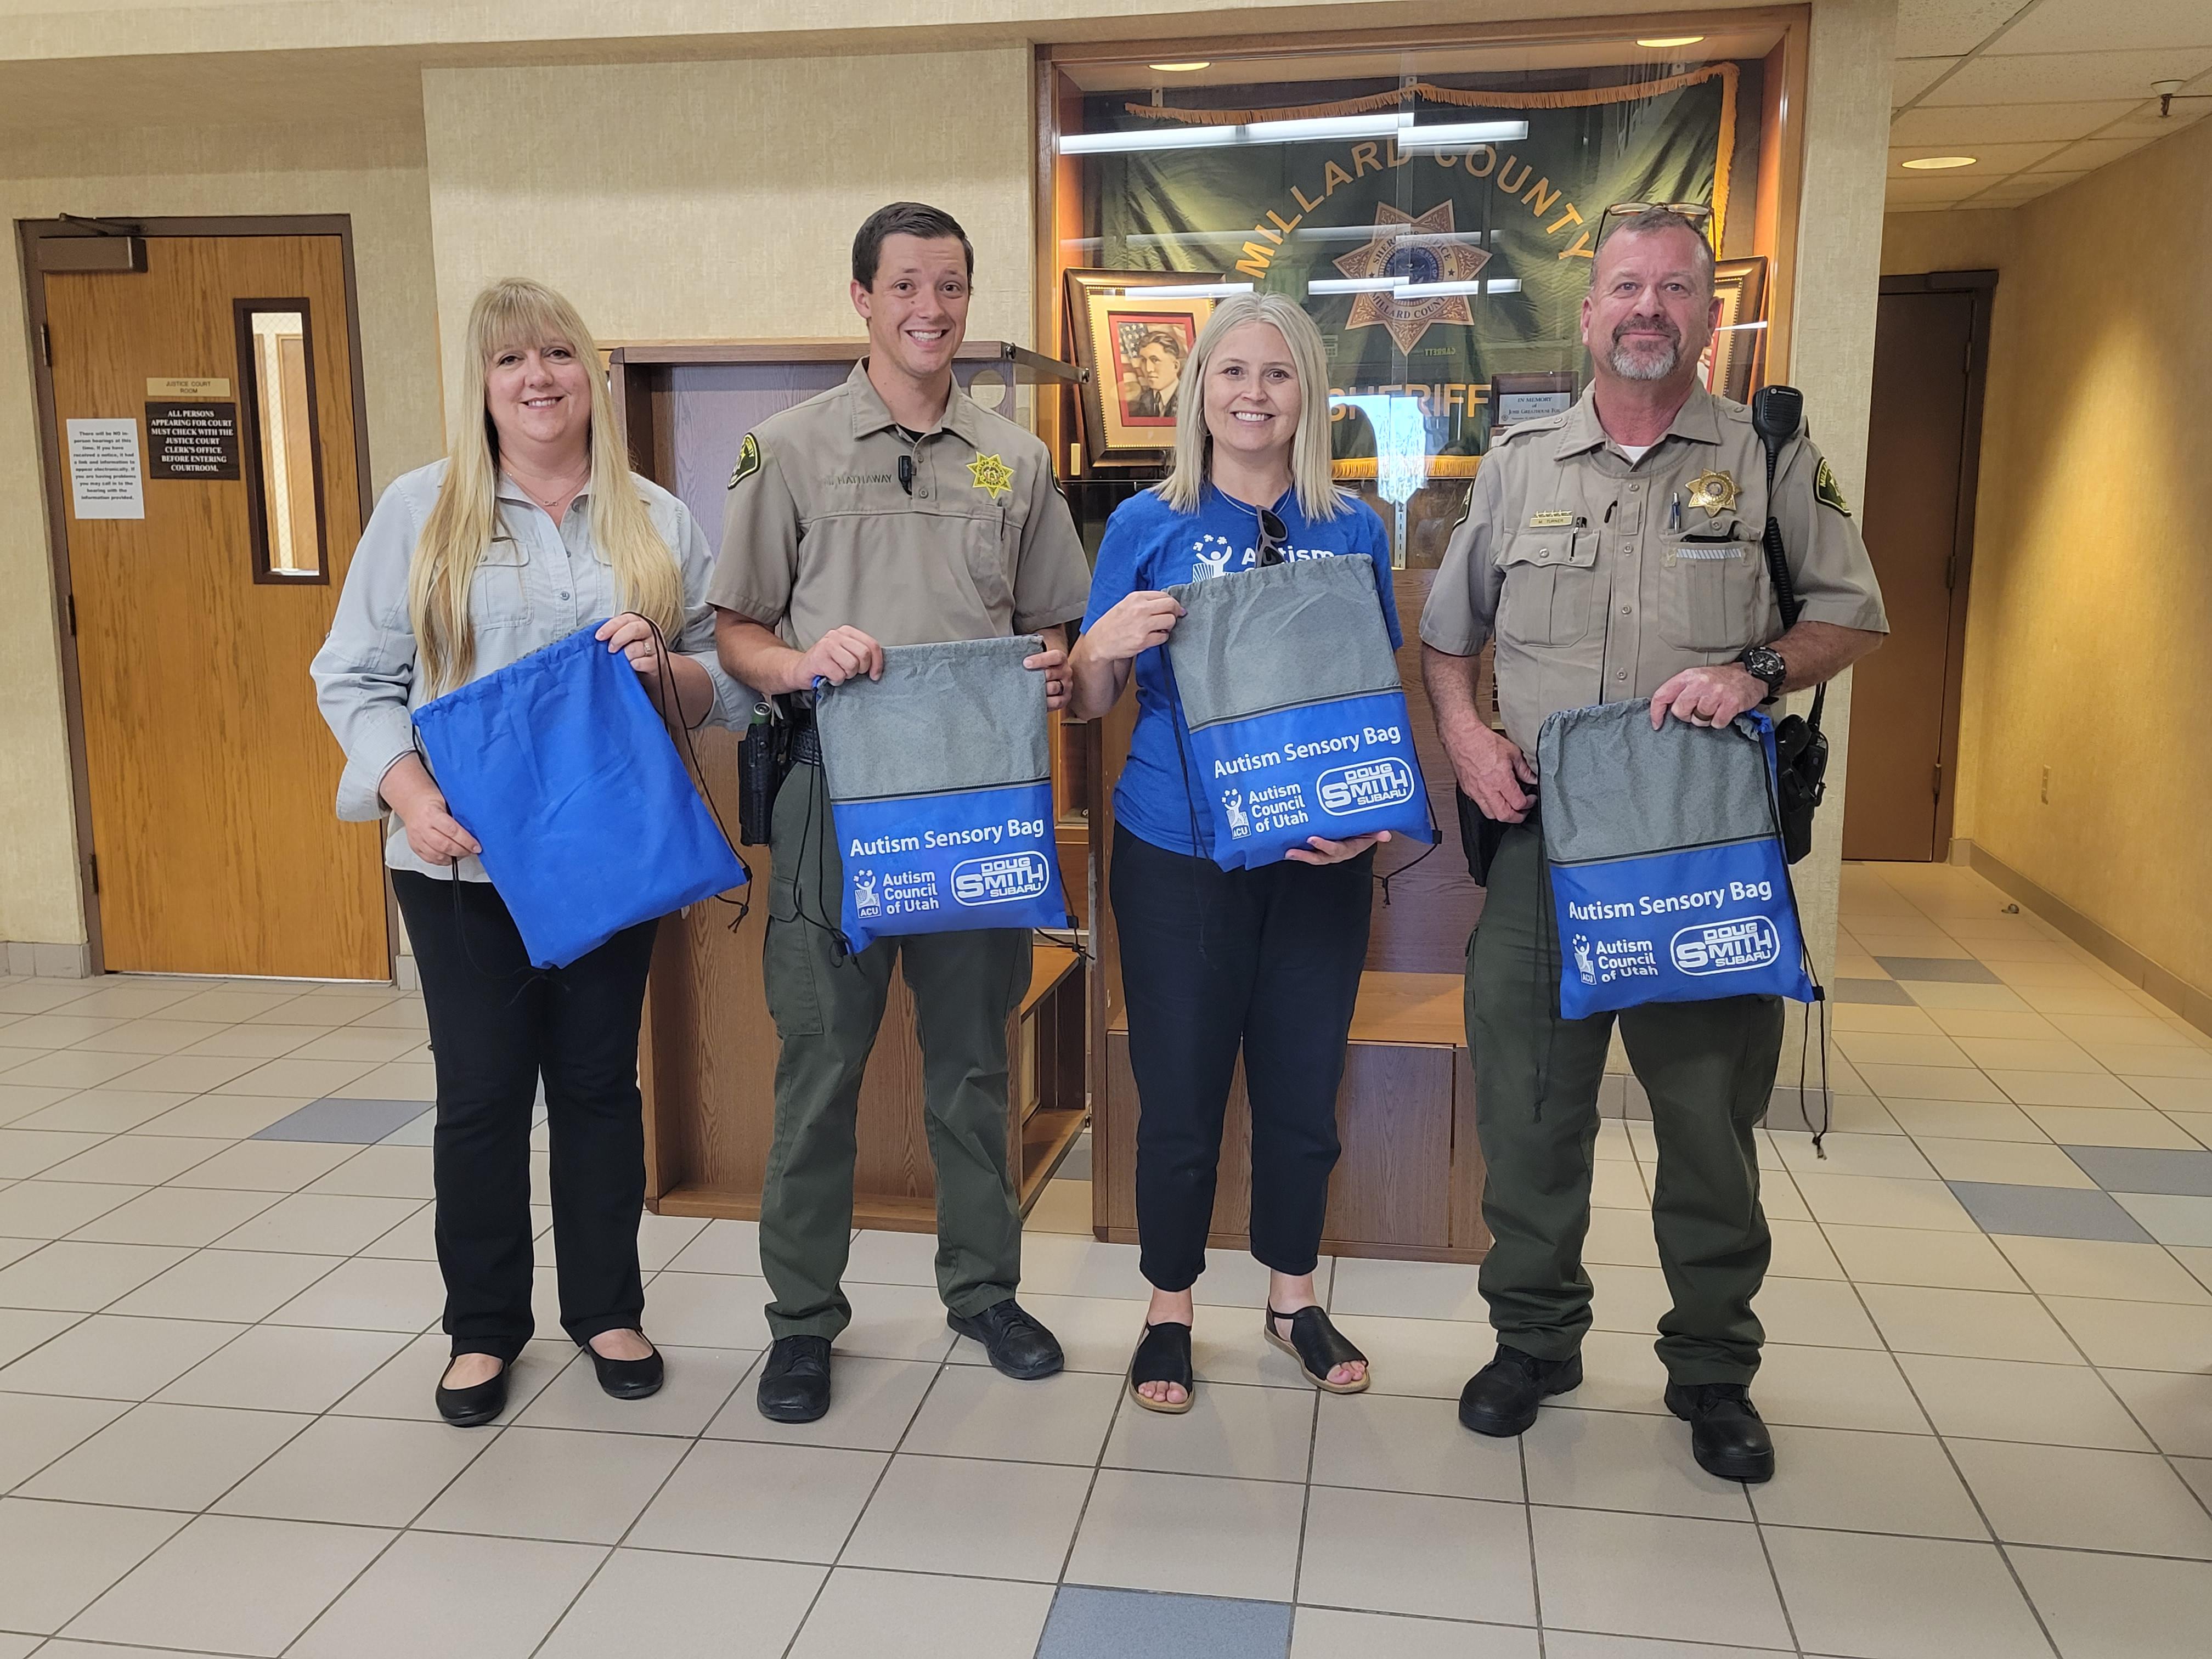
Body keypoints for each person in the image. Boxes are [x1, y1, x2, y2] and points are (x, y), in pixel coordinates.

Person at [1419, 207, 1887, 1481]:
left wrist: (1755, 670)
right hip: (1544, 851)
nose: (1648, 309)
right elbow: (1446, 638)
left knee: (1706, 1120)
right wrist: (1466, 739)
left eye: (1675, 289)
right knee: (1527, 1113)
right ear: (1588, 312)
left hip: (1701, 852)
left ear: (1707, 312)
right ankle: (1534, 1342)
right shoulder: (1518, 464)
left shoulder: (1769, 452)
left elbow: (1852, 613)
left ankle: (1713, 1370)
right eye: (1626, 286)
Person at [313, 277, 739, 1426]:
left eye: (558, 353)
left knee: (600, 1088)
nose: (538, 377)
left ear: (592, 371)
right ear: (482, 385)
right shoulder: (422, 510)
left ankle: (607, 1307)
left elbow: (723, 687)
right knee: (484, 1097)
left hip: (607, 860)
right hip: (460, 866)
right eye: (511, 360)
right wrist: (409, 797)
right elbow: (351, 676)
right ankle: (482, 1329)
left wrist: (663, 662)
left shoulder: (655, 514)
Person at [710, 202, 1093, 1424]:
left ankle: (983, 1290)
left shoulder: (1012, 459)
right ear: (863, 300)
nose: (933, 308)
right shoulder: (788, 450)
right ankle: (803, 1321)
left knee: (977, 1064)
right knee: (820, 1067)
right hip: (837, 797)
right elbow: (735, 634)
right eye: (908, 286)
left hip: (973, 805)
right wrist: (802, 663)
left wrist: (1050, 660)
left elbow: (1053, 625)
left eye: (954, 287)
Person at [1068, 294, 1395, 1413]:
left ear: (1308, 396)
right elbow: (1089, 700)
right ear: (1197, 390)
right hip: (1177, 853)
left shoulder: (1351, 526)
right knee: (1180, 1093)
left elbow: (1371, 695)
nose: (1253, 395)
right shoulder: (1142, 525)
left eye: (1279, 375)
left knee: (1304, 1088)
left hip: (1319, 857)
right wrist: (1096, 647)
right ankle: (1169, 1307)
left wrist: (1364, 815)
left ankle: (1293, 1296)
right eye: (1232, 373)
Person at [1126, 329, 1186, 420]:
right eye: (1143, 360)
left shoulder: (1189, 397)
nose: (1148, 369)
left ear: (1175, 366)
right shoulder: (1142, 402)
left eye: (1155, 360)